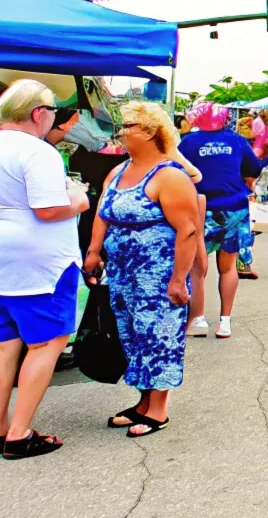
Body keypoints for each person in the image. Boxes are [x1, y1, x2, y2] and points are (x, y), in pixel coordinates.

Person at [0, 80, 91, 459]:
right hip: (36, 263)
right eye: (52, 112)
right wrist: (80, 201)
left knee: (3, 344)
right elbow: (48, 209)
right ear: (38, 113)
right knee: (46, 342)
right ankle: (20, 433)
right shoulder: (38, 151)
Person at [84, 102, 199, 437]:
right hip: (122, 274)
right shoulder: (118, 172)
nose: (120, 131)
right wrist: (93, 251)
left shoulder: (169, 176)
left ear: (150, 132)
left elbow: (188, 230)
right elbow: (102, 213)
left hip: (158, 276)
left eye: (128, 125)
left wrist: (179, 279)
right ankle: (143, 401)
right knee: (132, 335)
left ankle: (158, 408)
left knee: (158, 336)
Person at [179, 102, 260, 339]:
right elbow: (253, 168)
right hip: (234, 208)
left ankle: (198, 318)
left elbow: (175, 170)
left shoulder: (188, 142)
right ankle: (225, 322)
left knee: (197, 268)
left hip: (201, 209)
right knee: (228, 267)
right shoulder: (236, 140)